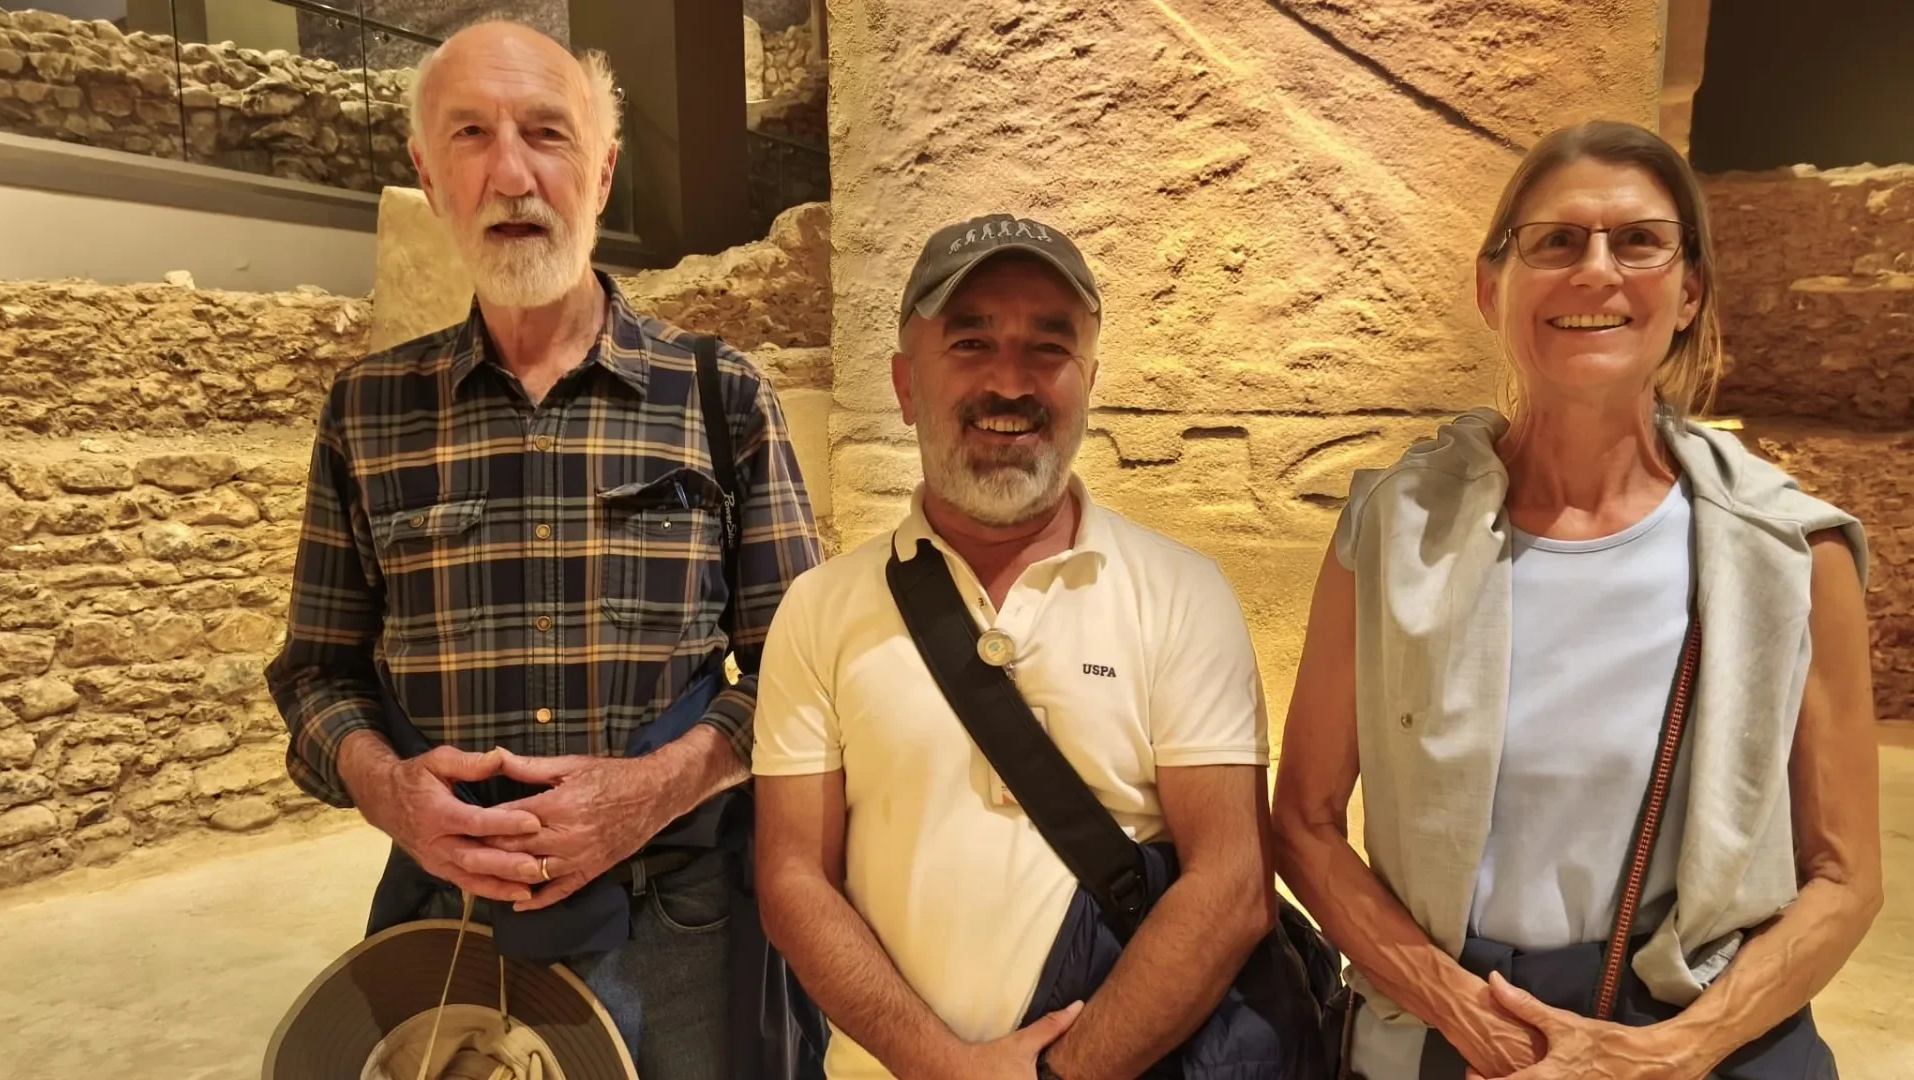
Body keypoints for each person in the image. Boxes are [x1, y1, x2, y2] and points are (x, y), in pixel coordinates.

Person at [264, 20, 824, 1078]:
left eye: (548, 134)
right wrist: (385, 787)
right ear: (430, 177)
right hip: (447, 939)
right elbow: (315, 675)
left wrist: (651, 790)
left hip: (683, 940)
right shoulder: (369, 415)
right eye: (472, 134)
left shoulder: (720, 399)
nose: (513, 173)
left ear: (602, 172)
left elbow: (806, 682)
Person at [1272, 120, 1883, 1080]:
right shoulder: (1391, 532)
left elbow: (1845, 879)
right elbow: (1304, 818)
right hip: (1448, 1040)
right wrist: (1457, 1009)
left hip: (1701, 1039)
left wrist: (1668, 1053)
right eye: (1556, 241)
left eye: (1638, 240)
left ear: (1688, 291)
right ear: (1491, 287)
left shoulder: (1791, 552)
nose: (1597, 271)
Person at [750, 214, 1328, 1080]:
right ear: (908, 386)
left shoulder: (1181, 594)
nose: (1010, 382)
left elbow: (1233, 886)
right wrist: (941, 1065)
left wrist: (1061, 1074)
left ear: (1088, 381)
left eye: (1048, 349)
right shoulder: (819, 610)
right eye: (972, 342)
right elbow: (795, 880)